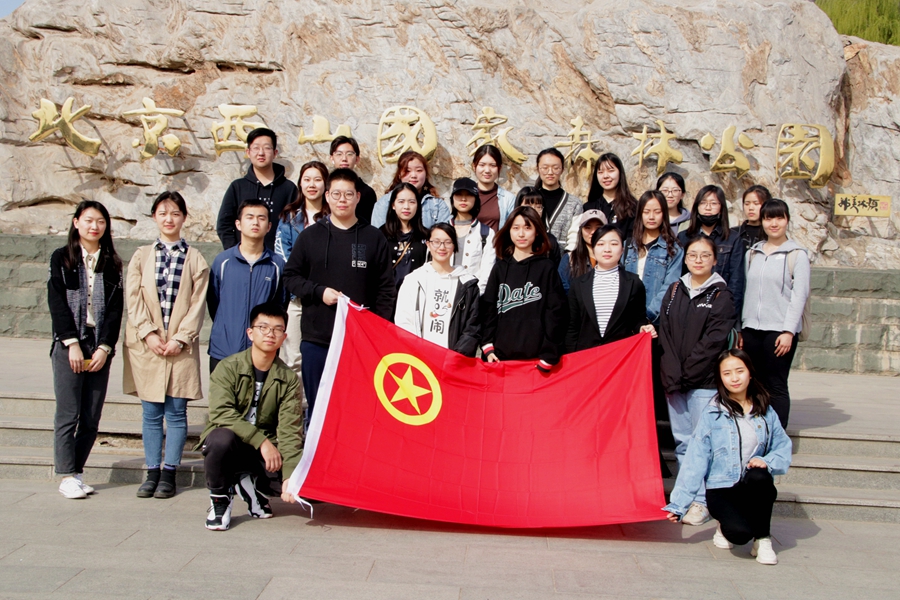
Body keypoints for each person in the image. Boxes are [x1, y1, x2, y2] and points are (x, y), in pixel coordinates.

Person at [284, 168, 396, 427]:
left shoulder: (373, 237)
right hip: (317, 340)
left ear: (358, 197)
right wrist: (318, 291)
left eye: (348, 194)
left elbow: (386, 289)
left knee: (356, 412)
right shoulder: (310, 236)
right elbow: (290, 277)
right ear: (327, 196)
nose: (342, 200)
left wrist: (376, 329)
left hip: (359, 342)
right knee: (318, 410)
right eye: (336, 194)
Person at [664, 349, 792, 565]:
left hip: (751, 485)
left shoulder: (765, 411)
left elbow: (783, 447)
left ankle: (763, 540)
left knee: (760, 476)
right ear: (720, 378)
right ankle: (724, 526)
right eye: (727, 373)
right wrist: (679, 504)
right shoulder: (712, 414)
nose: (734, 378)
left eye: (739, 371)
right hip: (721, 489)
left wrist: (767, 461)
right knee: (739, 534)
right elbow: (695, 460)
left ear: (750, 373)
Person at [123, 192, 210, 499]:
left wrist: (180, 338)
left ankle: (170, 472)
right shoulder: (141, 256)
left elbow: (197, 304)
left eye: (175, 213)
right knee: (150, 413)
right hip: (148, 346)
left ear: (184, 217)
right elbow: (133, 299)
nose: (169, 219)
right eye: (162, 213)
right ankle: (151, 472)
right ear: (154, 217)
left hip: (179, 347)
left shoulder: (195, 258)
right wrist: (148, 333)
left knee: (175, 413)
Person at [199, 302, 303, 531]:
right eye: (263, 327)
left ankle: (251, 486)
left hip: (265, 450)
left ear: (284, 337)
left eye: (277, 329)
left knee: (305, 487)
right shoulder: (228, 367)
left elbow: (290, 429)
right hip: (234, 442)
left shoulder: (288, 379)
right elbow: (221, 413)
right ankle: (220, 501)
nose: (270, 334)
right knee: (220, 440)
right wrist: (262, 442)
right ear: (250, 332)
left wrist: (290, 476)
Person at [47, 200, 124, 499]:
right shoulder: (62, 257)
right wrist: (71, 343)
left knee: (91, 417)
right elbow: (57, 303)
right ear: (76, 222)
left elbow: (115, 310)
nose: (95, 226)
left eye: (101, 221)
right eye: (89, 220)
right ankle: (66, 475)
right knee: (68, 413)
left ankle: (76, 473)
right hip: (70, 343)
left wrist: (105, 347)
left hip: (98, 343)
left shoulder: (112, 262)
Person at [659, 235, 736, 526]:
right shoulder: (675, 289)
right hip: (674, 380)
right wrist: (671, 370)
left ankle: (703, 501)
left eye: (705, 255)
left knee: (702, 443)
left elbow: (714, 341)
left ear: (714, 259)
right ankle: (686, 497)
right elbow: (665, 333)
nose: (698, 260)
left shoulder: (721, 295)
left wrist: (688, 371)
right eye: (693, 255)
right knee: (682, 442)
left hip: (703, 382)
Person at [741, 199, 810, 429]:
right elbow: (745, 291)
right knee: (754, 383)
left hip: (779, 331)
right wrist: (741, 327)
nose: (774, 223)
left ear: (787, 220)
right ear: (762, 221)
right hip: (751, 329)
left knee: (776, 384)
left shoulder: (797, 255)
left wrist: (789, 331)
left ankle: (777, 436)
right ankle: (757, 431)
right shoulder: (753, 253)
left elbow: (800, 296)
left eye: (779, 217)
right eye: (769, 218)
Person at [480, 206, 567, 372]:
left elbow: (556, 313)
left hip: (537, 360)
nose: (521, 234)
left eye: (527, 228)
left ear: (537, 232)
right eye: (516, 228)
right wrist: (487, 345)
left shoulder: (546, 268)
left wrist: (549, 354)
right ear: (509, 231)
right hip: (500, 358)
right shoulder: (499, 269)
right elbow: (488, 309)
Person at [207, 199, 286, 375]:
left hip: (262, 354)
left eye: (261, 218)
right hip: (224, 351)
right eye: (249, 217)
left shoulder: (277, 265)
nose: (255, 222)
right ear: (238, 224)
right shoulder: (222, 261)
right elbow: (214, 303)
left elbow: (280, 305)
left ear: (269, 226)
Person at [274, 161, 330, 376]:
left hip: (324, 297)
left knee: (324, 358)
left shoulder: (333, 218)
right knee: (293, 359)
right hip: (296, 297)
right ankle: (296, 399)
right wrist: (303, 283)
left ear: (326, 184)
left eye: (317, 179)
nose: (312, 185)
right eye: (307, 179)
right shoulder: (289, 217)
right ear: (300, 183)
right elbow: (283, 254)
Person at [395, 224, 481, 356]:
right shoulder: (414, 280)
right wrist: (416, 353)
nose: (442, 247)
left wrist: (455, 357)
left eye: (447, 242)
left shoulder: (467, 284)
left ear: (454, 246)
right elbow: (403, 322)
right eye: (436, 242)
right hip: (420, 358)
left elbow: (472, 328)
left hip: (453, 360)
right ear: (428, 244)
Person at [565, 224, 653, 352]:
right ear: (593, 249)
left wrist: (643, 327)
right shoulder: (578, 284)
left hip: (620, 355)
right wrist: (571, 357)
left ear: (622, 249)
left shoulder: (634, 283)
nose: (607, 249)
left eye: (614, 244)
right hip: (586, 355)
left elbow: (638, 319)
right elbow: (572, 326)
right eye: (601, 244)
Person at [216, 128, 298, 251]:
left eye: (266, 148)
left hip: (279, 259)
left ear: (275, 153)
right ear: (248, 152)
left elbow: (297, 225)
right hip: (243, 258)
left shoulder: (289, 188)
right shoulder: (237, 187)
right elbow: (224, 225)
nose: (261, 153)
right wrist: (235, 254)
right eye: (256, 148)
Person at [677, 185, 745, 317]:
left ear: (721, 208)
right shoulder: (684, 237)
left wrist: (731, 315)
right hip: (690, 307)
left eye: (713, 203)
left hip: (720, 308)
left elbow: (736, 281)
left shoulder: (733, 239)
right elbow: (679, 275)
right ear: (697, 207)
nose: (708, 207)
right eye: (703, 203)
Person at [623, 191, 684, 327]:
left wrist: (648, 316)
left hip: (655, 322)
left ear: (664, 214)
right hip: (627, 320)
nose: (651, 217)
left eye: (657, 212)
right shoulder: (628, 246)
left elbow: (669, 286)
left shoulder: (673, 249)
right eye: (646, 212)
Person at [370, 150, 451, 228]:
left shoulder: (437, 205)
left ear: (426, 174)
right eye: (407, 171)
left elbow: (445, 234)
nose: (413, 175)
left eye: (419, 170)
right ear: (399, 175)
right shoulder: (384, 203)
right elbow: (377, 234)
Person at [449, 176, 495, 294]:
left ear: (476, 199)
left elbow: (487, 271)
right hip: (443, 293)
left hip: (472, 294)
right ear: (452, 198)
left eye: (469, 195)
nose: (463, 199)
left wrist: (474, 296)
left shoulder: (486, 233)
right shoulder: (441, 230)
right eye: (459, 194)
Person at [381, 183, 430, 292]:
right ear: (393, 205)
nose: (406, 206)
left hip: (416, 295)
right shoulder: (381, 235)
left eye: (412, 202)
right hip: (389, 296)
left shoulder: (426, 236)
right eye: (401, 201)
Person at [533, 148, 583, 248]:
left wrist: (567, 255)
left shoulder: (574, 203)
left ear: (562, 170)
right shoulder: (529, 199)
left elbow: (574, 237)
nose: (550, 172)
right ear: (538, 169)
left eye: (555, 168)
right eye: (545, 168)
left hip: (563, 256)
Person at [582, 153, 637, 241]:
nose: (605, 176)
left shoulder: (632, 207)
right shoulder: (588, 207)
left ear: (620, 173)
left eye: (611, 171)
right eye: (600, 172)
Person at [328, 136, 378, 224]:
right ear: (332, 158)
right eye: (339, 154)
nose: (344, 159)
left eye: (349, 154)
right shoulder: (325, 188)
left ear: (357, 159)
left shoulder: (367, 193)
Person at [558, 209, 607, 293]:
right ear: (581, 231)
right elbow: (562, 289)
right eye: (588, 227)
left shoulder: (614, 258)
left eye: (598, 228)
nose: (593, 232)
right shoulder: (570, 259)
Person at [471, 144, 517, 231]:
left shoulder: (508, 199)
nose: (487, 170)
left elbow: (512, 229)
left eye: (493, 165)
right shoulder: (465, 195)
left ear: (499, 168)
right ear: (474, 166)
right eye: (482, 165)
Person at [514, 186, 562, 266]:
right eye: (528, 206)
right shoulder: (508, 240)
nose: (534, 210)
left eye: (538, 207)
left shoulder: (549, 241)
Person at [732, 185, 772, 252]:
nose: (750, 208)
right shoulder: (733, 233)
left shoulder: (772, 234)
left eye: (756, 204)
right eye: (747, 204)